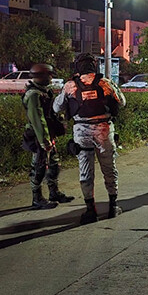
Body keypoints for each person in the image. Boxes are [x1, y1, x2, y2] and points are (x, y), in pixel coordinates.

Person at [53, 53, 126, 224]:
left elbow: (57, 108)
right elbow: (122, 102)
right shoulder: (105, 83)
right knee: (109, 169)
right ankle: (113, 206)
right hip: (104, 130)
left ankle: (90, 210)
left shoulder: (70, 86)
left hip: (81, 132)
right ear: (94, 65)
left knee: (85, 171)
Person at [21, 64, 74, 209]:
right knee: (39, 167)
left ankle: (53, 192)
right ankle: (37, 198)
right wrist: (44, 141)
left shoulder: (44, 92)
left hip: (48, 134)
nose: (51, 78)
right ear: (42, 76)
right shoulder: (34, 95)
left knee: (54, 164)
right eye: (49, 75)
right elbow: (38, 119)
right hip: (39, 136)